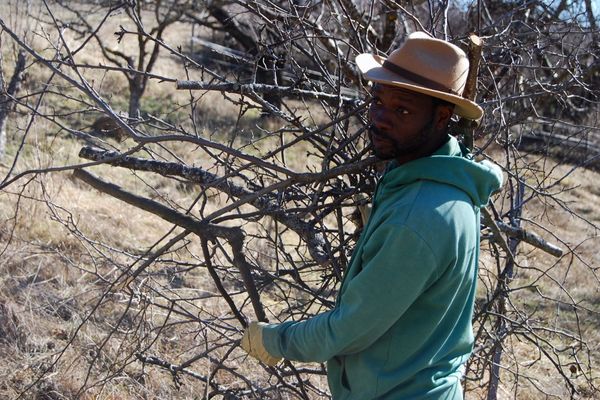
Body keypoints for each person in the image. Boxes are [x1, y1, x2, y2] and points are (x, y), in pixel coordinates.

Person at [241, 31, 503, 400]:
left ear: (443, 116)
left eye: (403, 110)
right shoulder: (446, 179)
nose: (380, 119)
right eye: (378, 100)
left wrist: (275, 340)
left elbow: (348, 329)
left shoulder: (418, 216)